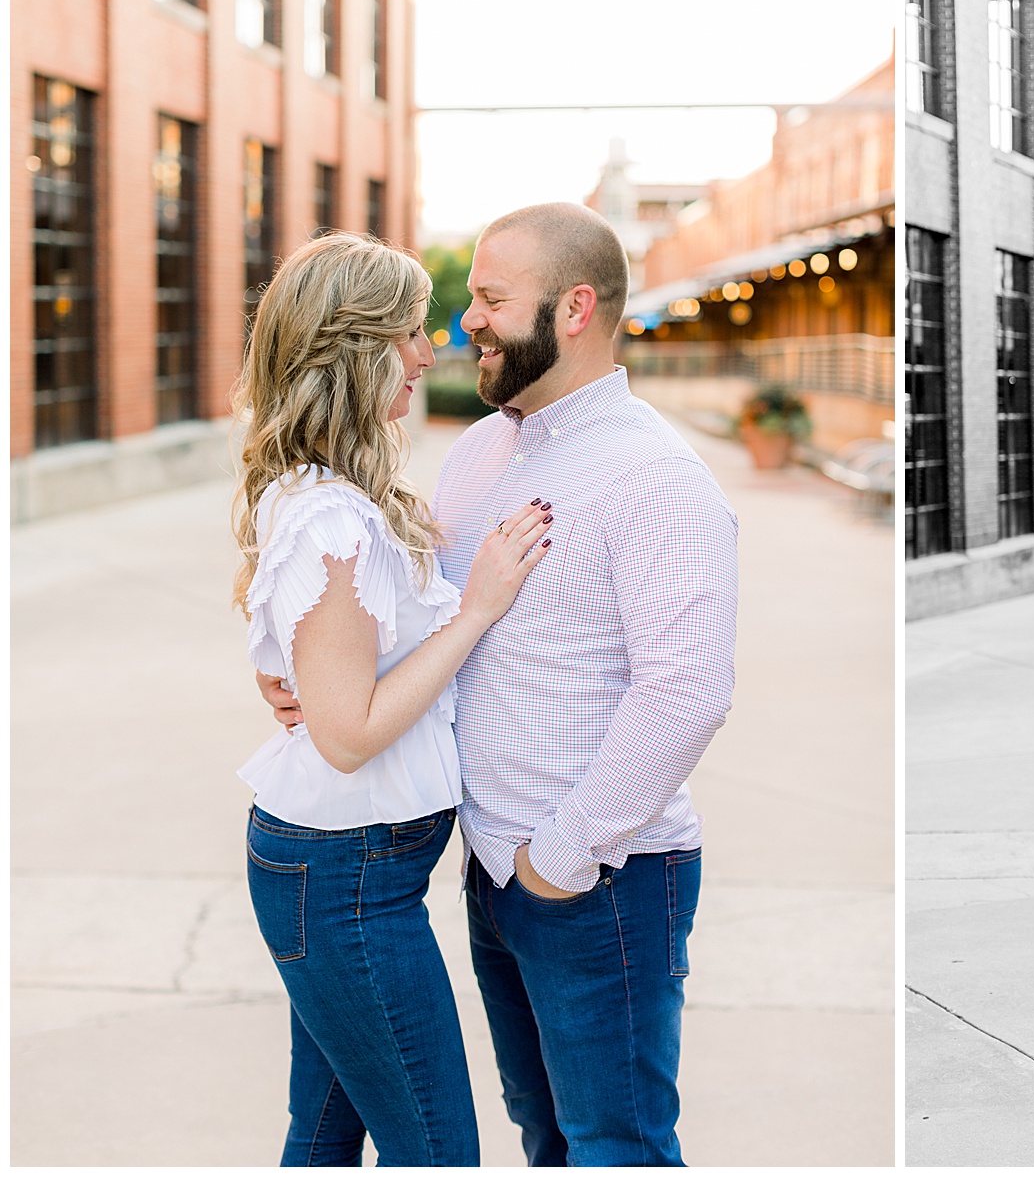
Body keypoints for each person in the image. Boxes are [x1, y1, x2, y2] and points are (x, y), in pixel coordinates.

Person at [262, 202, 738, 1165]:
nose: (462, 322)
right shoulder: (481, 452)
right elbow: (408, 619)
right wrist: (319, 679)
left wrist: (559, 859)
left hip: (598, 878)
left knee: (618, 1144)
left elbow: (686, 691)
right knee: (547, 1137)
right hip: (489, 865)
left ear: (572, 309)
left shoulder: (658, 478)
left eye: (488, 298)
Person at [233, 232, 553, 1165]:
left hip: (352, 877)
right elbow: (347, 734)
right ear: (355, 347)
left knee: (326, 1138)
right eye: (410, 334)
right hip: (347, 886)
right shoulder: (331, 514)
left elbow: (326, 659)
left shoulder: (335, 492)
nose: (429, 352)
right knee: (440, 1152)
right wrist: (482, 606)